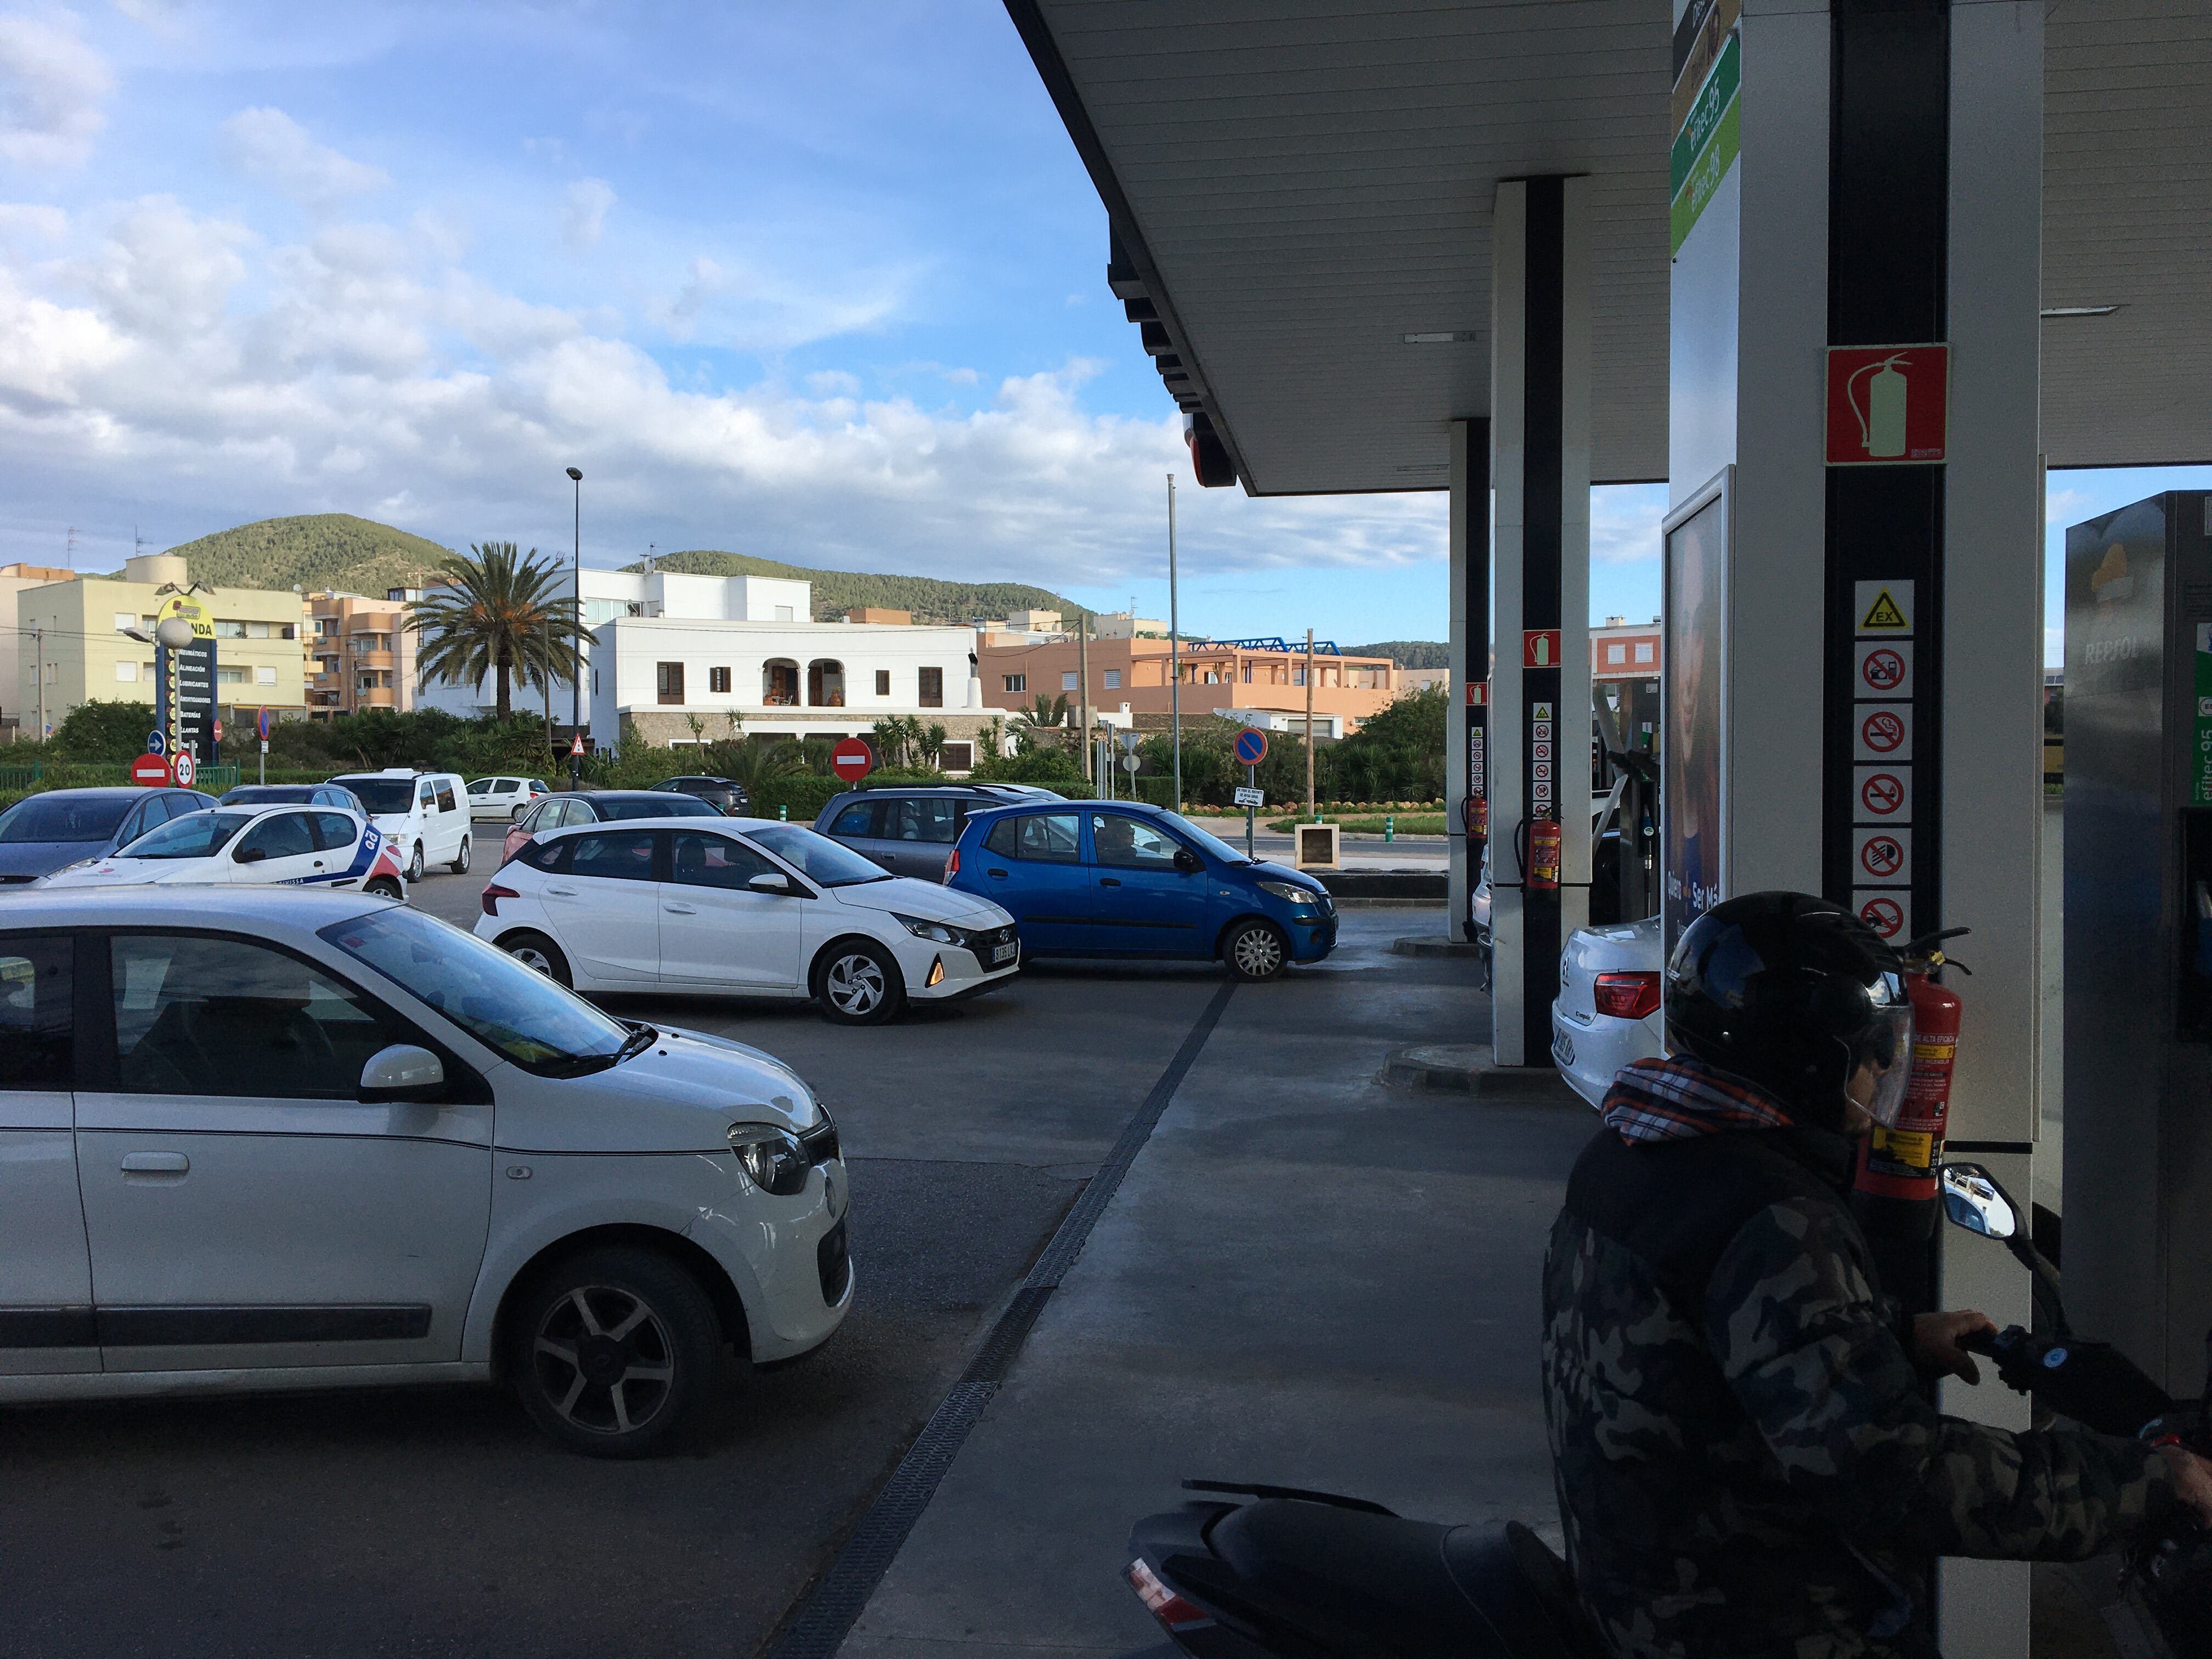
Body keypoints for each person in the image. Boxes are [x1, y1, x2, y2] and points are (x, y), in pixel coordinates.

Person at [1542, 890, 2212, 1658]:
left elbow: (1685, 1349)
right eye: (1872, 1046)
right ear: (1805, 1057)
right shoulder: (1775, 1217)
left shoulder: (1629, 1151)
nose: (1890, 1064)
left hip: (1639, 1592)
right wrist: (2146, 1486)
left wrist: (1888, 1333)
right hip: (1754, 1622)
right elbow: (1897, 1475)